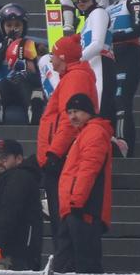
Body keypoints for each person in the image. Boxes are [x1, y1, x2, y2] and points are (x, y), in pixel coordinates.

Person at [36, 34, 97, 256]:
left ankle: (66, 263)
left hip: (63, 157)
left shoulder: (75, 78)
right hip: (62, 155)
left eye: (53, 55)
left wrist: (54, 153)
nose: (50, 59)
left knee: (62, 218)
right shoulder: (73, 77)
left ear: (62, 57)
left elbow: (70, 120)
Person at [54, 93, 114, 273]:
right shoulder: (86, 133)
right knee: (72, 264)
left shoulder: (93, 132)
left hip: (82, 210)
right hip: (75, 208)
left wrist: (76, 201)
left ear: (89, 112)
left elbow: (88, 169)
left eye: (77, 111)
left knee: (82, 265)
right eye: (70, 112)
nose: (73, 116)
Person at [101, 0, 140, 155]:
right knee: (110, 103)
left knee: (121, 100)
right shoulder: (107, 8)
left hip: (129, 55)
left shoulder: (133, 0)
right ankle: (113, 146)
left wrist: (111, 36)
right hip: (112, 58)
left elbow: (138, 29)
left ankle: (125, 148)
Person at [0, 138, 43, 271]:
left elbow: (9, 212)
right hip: (5, 252)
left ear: (19, 159)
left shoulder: (18, 177)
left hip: (7, 254)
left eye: (5, 158)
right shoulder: (8, 179)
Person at [0, 3, 45, 126]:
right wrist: (5, 48)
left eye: (17, 25)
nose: (13, 29)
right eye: (9, 25)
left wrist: (32, 68)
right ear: (2, 26)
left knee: (25, 86)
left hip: (25, 84)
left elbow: (40, 75)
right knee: (0, 89)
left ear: (24, 26)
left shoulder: (32, 46)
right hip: (4, 84)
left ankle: (33, 108)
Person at [67, 0, 113, 122]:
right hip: (92, 69)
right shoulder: (87, 20)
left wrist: (75, 61)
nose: (80, 0)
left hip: (102, 66)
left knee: (100, 113)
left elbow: (97, 44)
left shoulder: (98, 13)